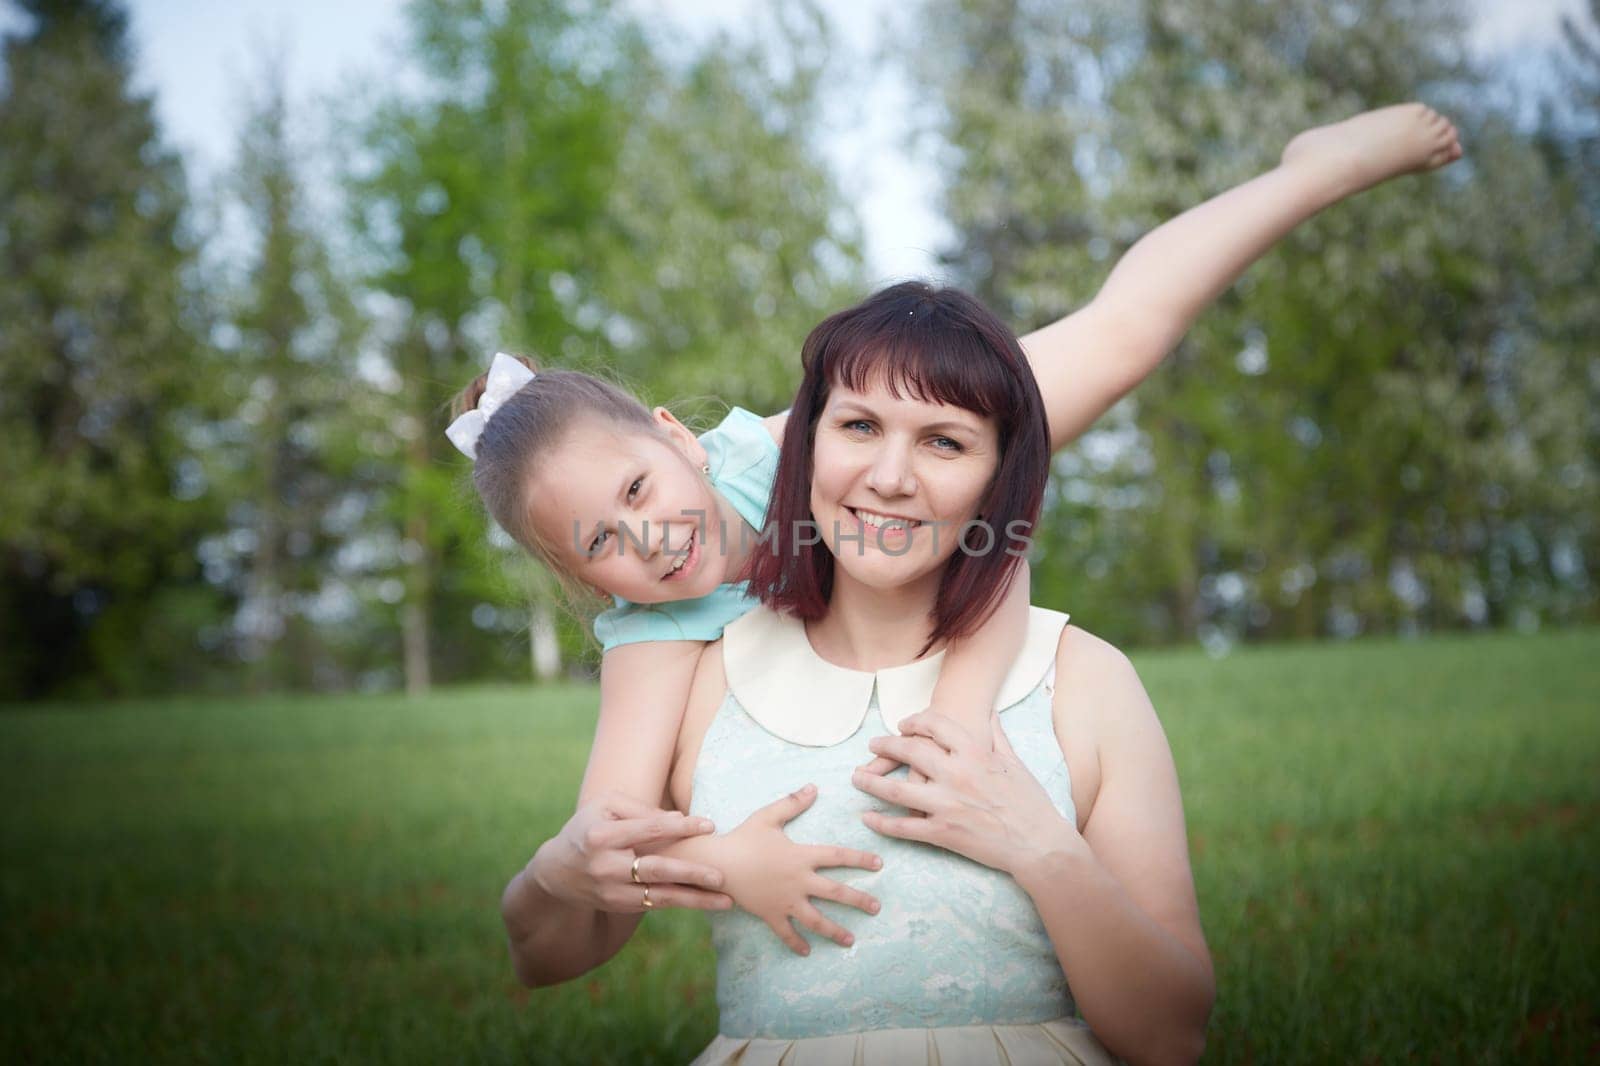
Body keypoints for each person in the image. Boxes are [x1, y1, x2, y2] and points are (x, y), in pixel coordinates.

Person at [474, 105, 1462, 975]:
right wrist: (724, 861)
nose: (652, 534)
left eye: (641, 485)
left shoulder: (781, 455)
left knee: (1120, 338)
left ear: (677, 438)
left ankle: (1316, 168)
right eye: (601, 536)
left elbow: (998, 550)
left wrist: (960, 710)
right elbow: (609, 839)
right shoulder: (651, 645)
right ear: (578, 575)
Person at [662, 283, 1210, 1063]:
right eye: (858, 426)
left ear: (999, 478)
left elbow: (1171, 1038)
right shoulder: (708, 678)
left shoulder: (1085, 679)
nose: (890, 477)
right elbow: (551, 945)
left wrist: (1042, 849)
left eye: (944, 442)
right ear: (807, 442)